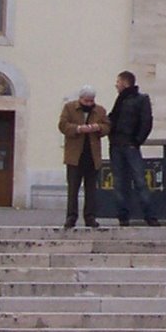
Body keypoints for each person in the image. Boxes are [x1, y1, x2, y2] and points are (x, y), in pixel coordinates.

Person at [109, 70, 158, 226]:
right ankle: (123, 216)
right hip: (116, 144)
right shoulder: (120, 101)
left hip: (130, 145)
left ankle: (150, 215)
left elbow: (146, 122)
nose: (116, 85)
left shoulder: (140, 99)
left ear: (125, 82)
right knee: (119, 182)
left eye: (118, 81)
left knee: (140, 181)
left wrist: (136, 141)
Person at [59, 86, 110, 230]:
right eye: (86, 101)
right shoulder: (69, 108)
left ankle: (90, 217)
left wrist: (98, 127)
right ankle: (71, 217)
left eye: (91, 101)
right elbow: (62, 125)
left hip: (92, 155)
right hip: (75, 156)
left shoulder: (100, 110)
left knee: (91, 189)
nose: (88, 104)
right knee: (73, 188)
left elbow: (107, 126)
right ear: (80, 99)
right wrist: (78, 129)